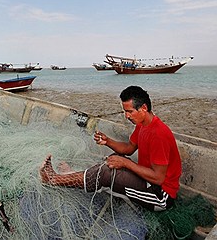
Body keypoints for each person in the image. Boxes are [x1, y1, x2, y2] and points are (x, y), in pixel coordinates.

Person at [39, 85, 182, 211]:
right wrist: (108, 141)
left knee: (108, 173)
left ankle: (53, 180)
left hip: (160, 195)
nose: (126, 116)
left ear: (143, 108)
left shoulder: (158, 134)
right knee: (112, 159)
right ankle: (74, 176)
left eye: (130, 111)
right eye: (125, 111)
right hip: (147, 180)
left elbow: (158, 178)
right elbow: (129, 148)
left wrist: (126, 163)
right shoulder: (142, 125)